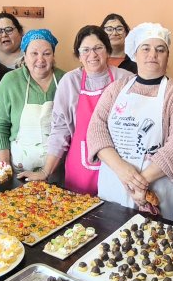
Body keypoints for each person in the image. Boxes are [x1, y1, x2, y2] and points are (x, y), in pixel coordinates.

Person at [87, 23, 173, 222]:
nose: (152, 55)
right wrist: (122, 170)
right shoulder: (116, 89)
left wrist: (140, 182)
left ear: (167, 56)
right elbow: (96, 130)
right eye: (145, 48)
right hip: (114, 185)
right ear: (135, 54)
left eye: (160, 49)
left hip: (158, 192)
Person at [19, 25, 133, 193]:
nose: (92, 55)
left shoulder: (125, 79)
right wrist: (46, 171)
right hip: (80, 167)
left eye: (98, 48)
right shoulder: (70, 81)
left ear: (108, 50)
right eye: (85, 49)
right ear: (79, 55)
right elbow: (60, 129)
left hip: (118, 166)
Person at [0, 29, 65, 171]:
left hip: (60, 170)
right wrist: (5, 166)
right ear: (24, 56)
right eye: (34, 53)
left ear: (53, 56)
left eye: (47, 53)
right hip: (19, 171)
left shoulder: (65, 80)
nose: (40, 59)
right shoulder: (10, 81)